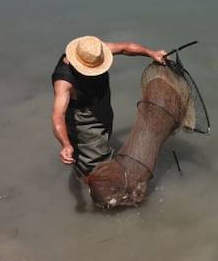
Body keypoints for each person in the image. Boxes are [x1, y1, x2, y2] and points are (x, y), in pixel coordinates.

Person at [51, 35, 167, 180]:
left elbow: (126, 48)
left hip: (102, 106)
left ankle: (91, 162)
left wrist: (151, 53)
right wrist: (66, 144)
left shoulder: (95, 52)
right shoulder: (64, 82)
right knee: (96, 167)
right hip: (84, 118)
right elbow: (58, 116)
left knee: (103, 142)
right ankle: (94, 184)